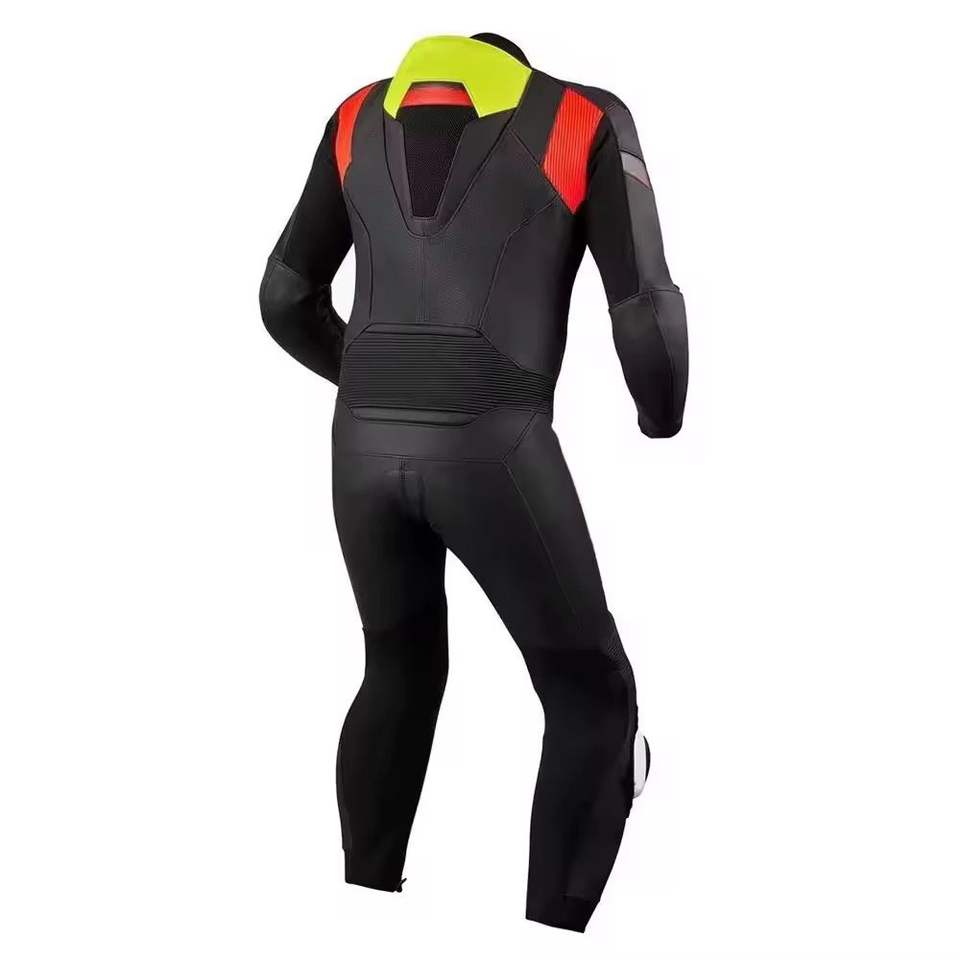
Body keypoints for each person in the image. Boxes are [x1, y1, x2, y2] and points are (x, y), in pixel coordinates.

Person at [260, 32, 687, 932]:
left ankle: (358, 909)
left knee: (398, 666)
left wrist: (378, 383)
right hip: (495, 446)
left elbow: (284, 296)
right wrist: (661, 416)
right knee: (588, 688)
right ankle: (552, 930)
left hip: (359, 450)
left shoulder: (355, 117)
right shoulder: (582, 118)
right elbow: (646, 312)